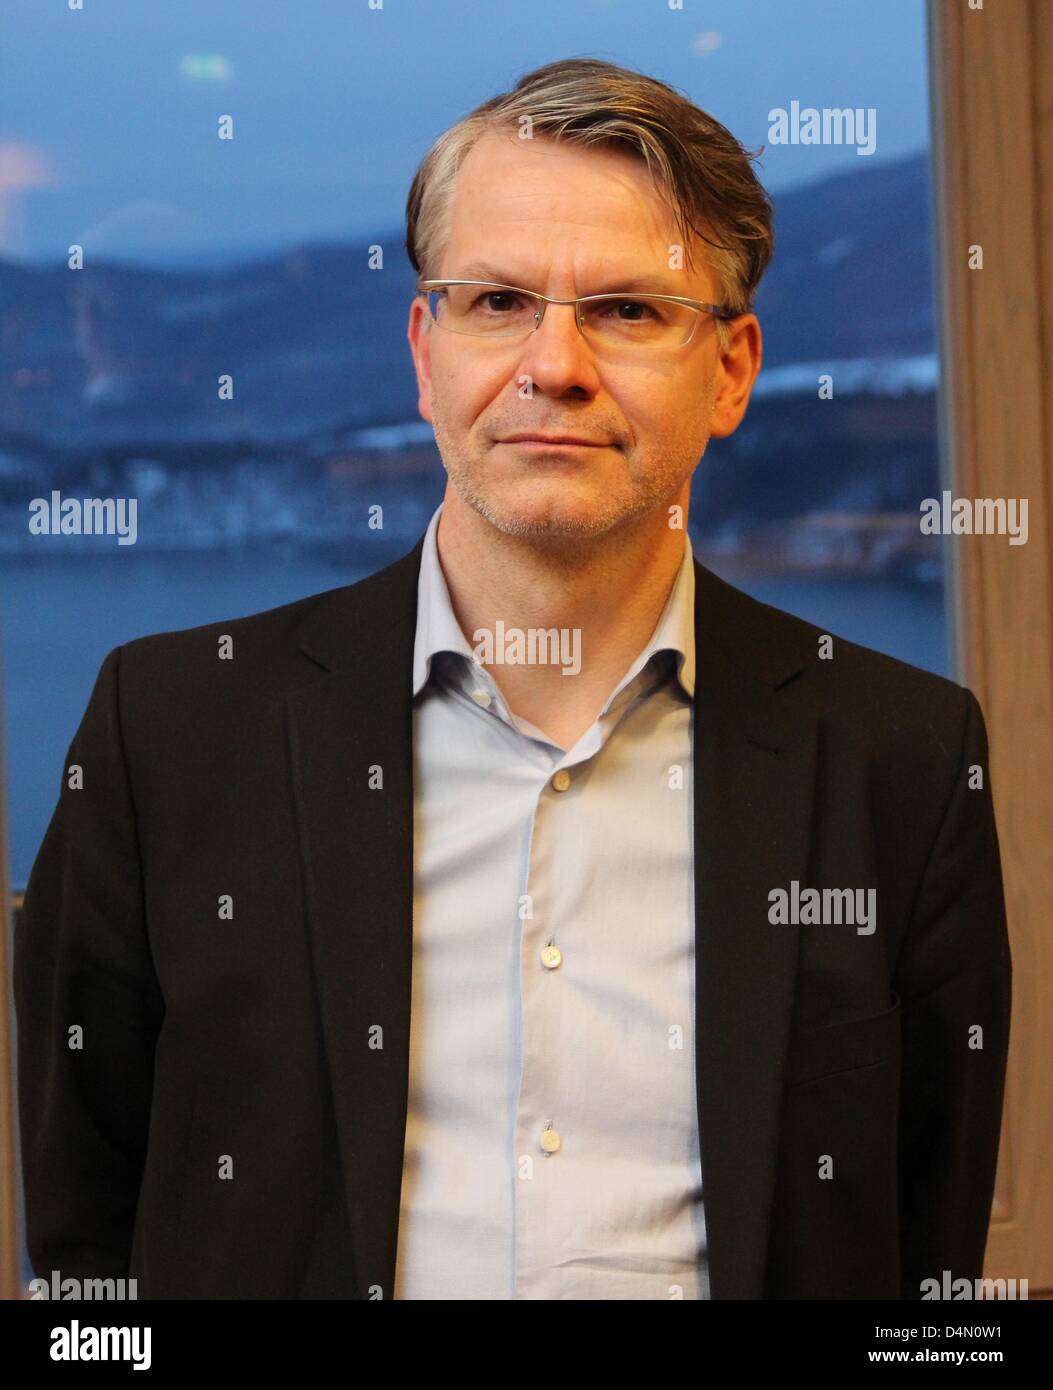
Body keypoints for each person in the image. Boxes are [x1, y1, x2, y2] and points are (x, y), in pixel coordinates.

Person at [14, 57, 1011, 1300]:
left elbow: (928, 1252)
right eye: (496, 302)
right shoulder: (162, 733)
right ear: (425, 353)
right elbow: (82, 1240)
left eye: (630, 311)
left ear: (735, 371)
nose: (555, 366)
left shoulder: (904, 758)